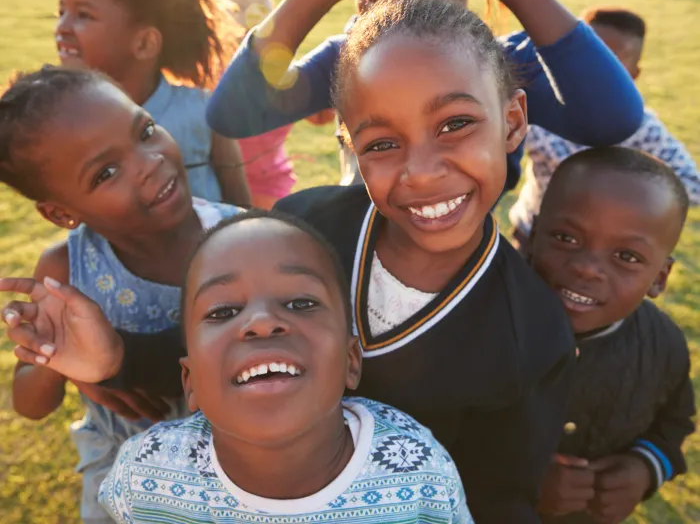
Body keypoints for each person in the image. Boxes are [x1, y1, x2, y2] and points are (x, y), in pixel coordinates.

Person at [4, 0, 578, 524]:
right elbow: (222, 348)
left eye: (455, 124)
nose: (422, 171)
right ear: (352, 146)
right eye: (382, 143)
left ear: (512, 121)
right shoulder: (308, 225)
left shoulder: (533, 334)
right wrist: (117, 357)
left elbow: (502, 495)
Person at [92, 210, 472, 523]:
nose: (261, 321)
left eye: (301, 303)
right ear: (189, 382)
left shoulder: (419, 472)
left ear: (351, 362)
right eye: (223, 310)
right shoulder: (145, 475)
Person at [205, 0, 643, 192]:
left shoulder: (504, 65)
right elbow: (233, 115)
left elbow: (613, 119)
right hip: (359, 265)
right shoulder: (350, 61)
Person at [0, 66, 239, 523]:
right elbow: (29, 405)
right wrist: (55, 359)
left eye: (145, 130)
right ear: (61, 212)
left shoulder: (244, 239)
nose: (149, 161)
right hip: (122, 477)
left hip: (235, 467)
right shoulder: (65, 273)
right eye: (106, 171)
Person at [530, 147, 695, 524]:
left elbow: (674, 423)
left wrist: (644, 468)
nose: (587, 268)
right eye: (566, 238)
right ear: (535, 232)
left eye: (627, 256)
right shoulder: (481, 325)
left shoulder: (664, 347)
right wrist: (516, 478)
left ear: (660, 278)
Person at [55, 0, 250, 204]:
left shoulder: (204, 112)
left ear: (145, 43)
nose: (62, 27)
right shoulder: (63, 124)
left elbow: (244, 211)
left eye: (84, 15)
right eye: (61, 11)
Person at [509, 6, 700, 254]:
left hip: (602, 252)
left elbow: (692, 186)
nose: (597, 71)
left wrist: (621, 193)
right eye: (591, 57)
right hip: (532, 233)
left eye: (613, 61)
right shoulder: (540, 108)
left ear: (634, 74)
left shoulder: (644, 131)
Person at [223, 0, 297, 208]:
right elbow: (320, 116)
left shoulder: (207, 76)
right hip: (269, 186)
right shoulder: (281, 72)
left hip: (227, 186)